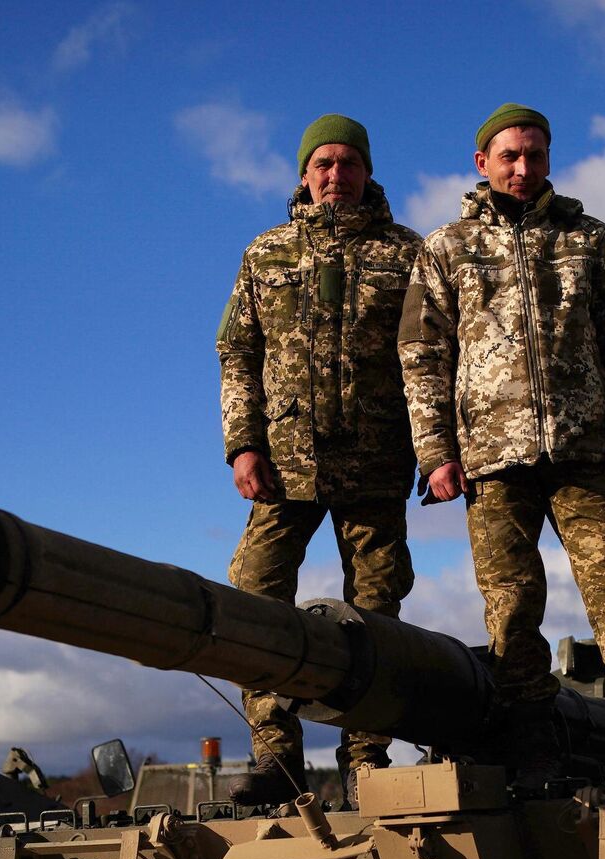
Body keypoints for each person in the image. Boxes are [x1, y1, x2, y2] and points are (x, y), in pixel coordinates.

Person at [399, 103, 605, 770]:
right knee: (510, 602)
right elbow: (424, 356)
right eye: (509, 156)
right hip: (490, 457)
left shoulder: (588, 239)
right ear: (482, 163)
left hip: (582, 451)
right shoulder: (447, 248)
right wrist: (435, 455)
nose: (522, 167)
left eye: (535, 155)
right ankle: (532, 733)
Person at [217, 114, 423, 806]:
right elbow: (238, 355)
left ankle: (367, 760)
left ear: (367, 172)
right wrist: (243, 444)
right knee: (255, 590)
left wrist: (433, 447)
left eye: (349, 164)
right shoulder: (265, 253)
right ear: (305, 175)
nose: (336, 176)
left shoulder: (406, 253)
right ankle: (276, 754)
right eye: (323, 165)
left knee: (377, 606)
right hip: (286, 462)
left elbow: (430, 357)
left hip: (376, 459)